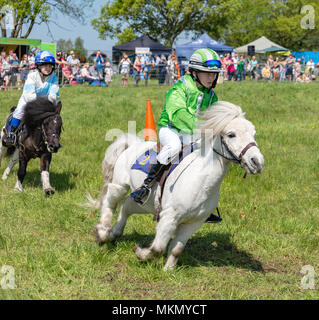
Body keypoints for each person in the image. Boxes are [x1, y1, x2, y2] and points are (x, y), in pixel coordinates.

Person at [130, 48, 223, 223]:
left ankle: (203, 203)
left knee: (209, 156)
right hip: (171, 129)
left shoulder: (212, 96)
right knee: (174, 147)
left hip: (195, 133)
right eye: (207, 73)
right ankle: (146, 186)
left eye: (214, 74)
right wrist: (200, 129)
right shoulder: (180, 87)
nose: (211, 78)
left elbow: (213, 118)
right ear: (194, 72)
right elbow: (178, 113)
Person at [4, 50, 59, 146]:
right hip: (28, 101)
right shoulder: (31, 76)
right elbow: (30, 96)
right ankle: (11, 134)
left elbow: (53, 95)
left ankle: (53, 139)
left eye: (50, 66)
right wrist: (40, 107)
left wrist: (47, 106)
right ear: (38, 66)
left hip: (45, 104)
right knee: (19, 111)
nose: (48, 68)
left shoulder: (54, 77)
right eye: (45, 65)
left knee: (53, 119)